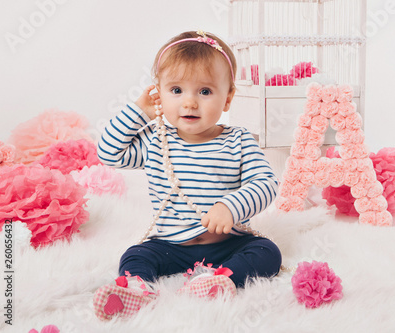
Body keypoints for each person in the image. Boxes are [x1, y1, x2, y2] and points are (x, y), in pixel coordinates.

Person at [93, 30, 282, 321]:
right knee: (135, 255)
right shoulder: (155, 140)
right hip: (170, 247)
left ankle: (221, 281)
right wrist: (138, 112)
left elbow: (266, 183)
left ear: (228, 98)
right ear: (159, 93)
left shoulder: (239, 140)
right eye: (176, 90)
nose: (190, 102)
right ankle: (136, 290)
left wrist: (230, 207)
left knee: (267, 252)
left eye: (205, 91)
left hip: (226, 245)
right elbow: (109, 153)